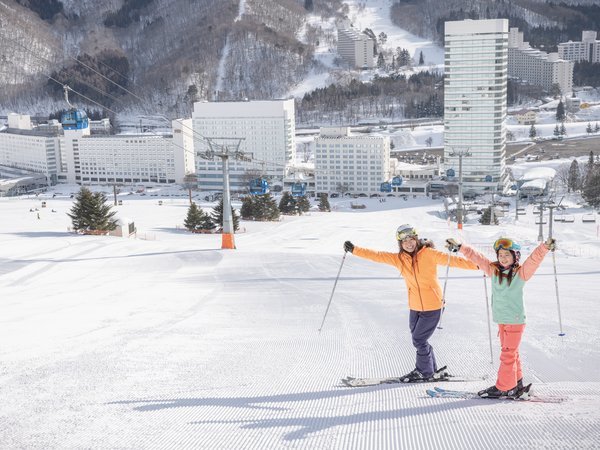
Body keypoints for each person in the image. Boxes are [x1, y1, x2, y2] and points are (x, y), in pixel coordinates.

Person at [343, 224, 479, 382]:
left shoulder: (429, 254)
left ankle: (424, 372)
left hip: (433, 305)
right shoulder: (399, 259)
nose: (408, 243)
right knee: (420, 339)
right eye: (404, 241)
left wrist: (479, 264)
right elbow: (377, 255)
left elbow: (454, 261)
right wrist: (354, 249)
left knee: (419, 339)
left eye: (411, 239)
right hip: (414, 307)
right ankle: (431, 369)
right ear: (400, 244)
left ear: (416, 239)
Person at [445, 236, 556, 398]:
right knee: (513, 353)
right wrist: (461, 247)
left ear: (515, 256)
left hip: (515, 320)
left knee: (507, 354)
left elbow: (534, 260)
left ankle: (504, 387)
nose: (503, 259)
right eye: (501, 255)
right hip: (502, 320)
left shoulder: (521, 274)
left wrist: (545, 247)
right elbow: (478, 257)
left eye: (507, 255)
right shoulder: (494, 271)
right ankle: (516, 383)